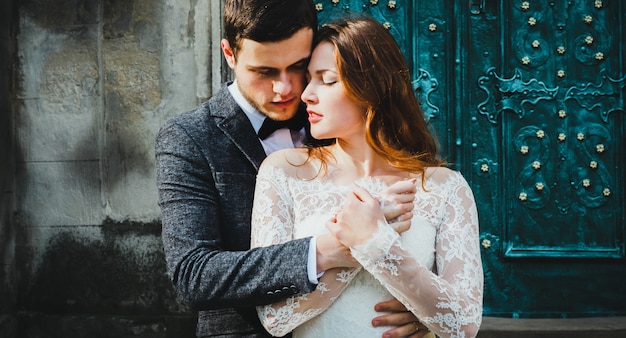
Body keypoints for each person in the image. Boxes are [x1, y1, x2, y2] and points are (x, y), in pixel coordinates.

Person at [155, 1, 429, 337]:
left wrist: (425, 310)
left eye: (298, 66)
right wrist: (322, 251)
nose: (285, 89)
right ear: (229, 54)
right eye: (265, 72)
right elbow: (194, 274)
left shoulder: (342, 112)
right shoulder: (189, 138)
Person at [250, 17, 484, 338]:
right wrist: (358, 242)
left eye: (327, 80)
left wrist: (375, 242)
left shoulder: (445, 187)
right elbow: (275, 318)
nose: (306, 94)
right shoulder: (283, 172)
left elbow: (464, 325)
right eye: (309, 79)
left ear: (370, 88)